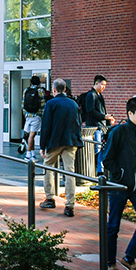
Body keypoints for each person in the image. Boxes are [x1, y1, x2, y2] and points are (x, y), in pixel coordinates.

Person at [100, 96, 136, 270]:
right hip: (119, 184)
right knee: (113, 225)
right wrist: (120, 174)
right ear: (130, 113)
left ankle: (129, 258)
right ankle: (110, 263)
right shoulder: (119, 132)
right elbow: (107, 159)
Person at [38, 78, 82, 216]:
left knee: (48, 167)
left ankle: (50, 198)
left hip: (55, 142)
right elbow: (78, 123)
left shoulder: (51, 104)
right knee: (70, 172)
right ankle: (70, 205)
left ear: (54, 90)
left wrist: (43, 145)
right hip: (71, 141)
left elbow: (46, 126)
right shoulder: (73, 104)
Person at [77, 75, 115, 176]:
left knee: (101, 147)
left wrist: (107, 120)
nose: (103, 87)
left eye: (105, 85)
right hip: (94, 125)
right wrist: (104, 117)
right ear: (96, 83)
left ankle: (100, 169)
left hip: (101, 126)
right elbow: (91, 111)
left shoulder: (99, 95)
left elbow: (102, 110)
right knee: (97, 148)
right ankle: (98, 170)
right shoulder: (91, 95)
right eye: (102, 84)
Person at [20, 75, 46, 155]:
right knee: (32, 135)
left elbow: (23, 104)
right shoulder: (40, 91)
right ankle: (28, 154)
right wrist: (41, 115)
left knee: (31, 135)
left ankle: (32, 153)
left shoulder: (26, 90)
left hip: (28, 116)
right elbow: (42, 104)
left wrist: (26, 114)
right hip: (36, 116)